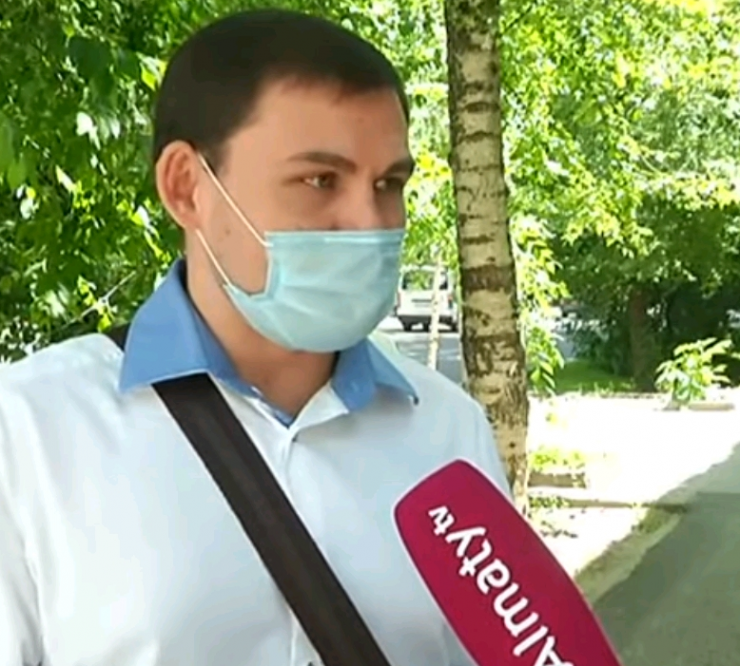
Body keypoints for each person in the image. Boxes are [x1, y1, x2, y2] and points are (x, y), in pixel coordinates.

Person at [0, 9, 510, 666]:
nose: (369, 223)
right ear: (187, 188)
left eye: (388, 184)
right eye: (319, 180)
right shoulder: (30, 433)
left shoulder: (450, 434)